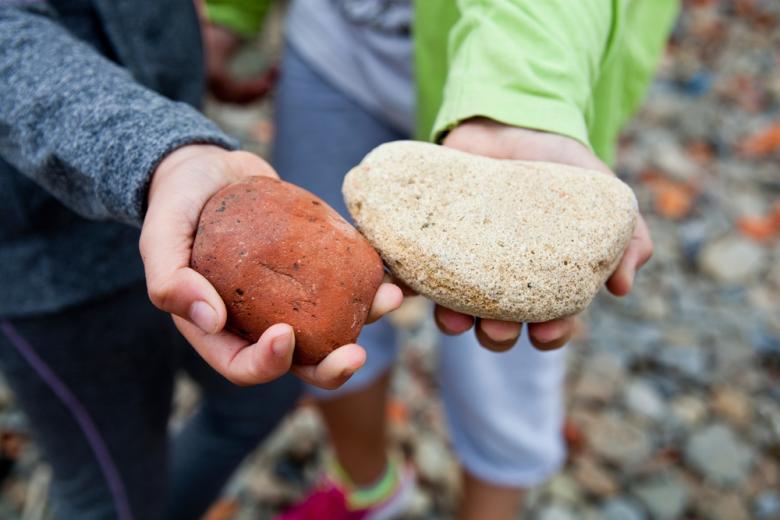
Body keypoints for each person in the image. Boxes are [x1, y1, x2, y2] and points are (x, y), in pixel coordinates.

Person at [205, 0, 677, 518]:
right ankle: (369, 487)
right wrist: (234, 10)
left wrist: (522, 97)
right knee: (318, 309)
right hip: (333, 42)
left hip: (530, 57)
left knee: (502, 354)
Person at [0, 1, 401, 519]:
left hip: (187, 190)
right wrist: (161, 149)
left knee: (262, 395)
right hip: (46, 258)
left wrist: (205, 34)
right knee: (114, 495)